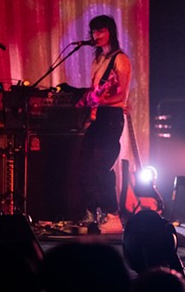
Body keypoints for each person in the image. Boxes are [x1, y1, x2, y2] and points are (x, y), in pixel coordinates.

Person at [76, 14, 131, 234]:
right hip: (98, 118)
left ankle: (112, 214)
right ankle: (92, 212)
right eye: (93, 32)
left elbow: (122, 95)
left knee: (101, 167)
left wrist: (99, 100)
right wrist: (85, 100)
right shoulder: (98, 61)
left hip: (111, 118)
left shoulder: (121, 59)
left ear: (111, 32)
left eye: (100, 31)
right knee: (84, 165)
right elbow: (95, 91)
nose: (96, 35)